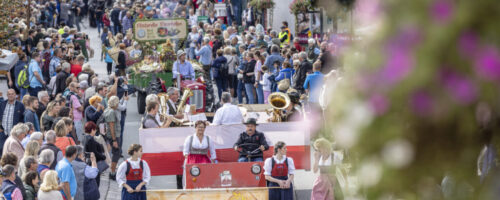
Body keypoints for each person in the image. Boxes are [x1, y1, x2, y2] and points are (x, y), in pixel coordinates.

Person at [103, 96, 121, 180]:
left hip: (111, 136)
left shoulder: (107, 110)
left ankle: (113, 171)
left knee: (116, 153)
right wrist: (114, 140)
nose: (118, 104)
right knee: (116, 153)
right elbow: (111, 127)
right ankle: (112, 172)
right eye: (117, 103)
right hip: (114, 136)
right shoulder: (111, 112)